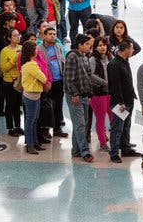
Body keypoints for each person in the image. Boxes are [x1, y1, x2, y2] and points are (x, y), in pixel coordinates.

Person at [106, 38, 141, 163]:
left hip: (129, 100)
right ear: (126, 49)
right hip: (120, 103)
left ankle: (126, 148)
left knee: (126, 125)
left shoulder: (125, 61)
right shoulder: (114, 64)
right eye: (131, 48)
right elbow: (115, 86)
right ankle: (114, 152)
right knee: (117, 128)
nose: (133, 50)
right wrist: (120, 103)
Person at [64, 34, 95, 163]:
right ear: (80, 45)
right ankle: (85, 151)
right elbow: (68, 79)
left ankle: (76, 150)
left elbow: (88, 75)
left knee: (82, 124)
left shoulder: (85, 57)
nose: (89, 47)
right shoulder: (72, 57)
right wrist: (74, 94)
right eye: (87, 44)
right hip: (74, 96)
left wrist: (89, 92)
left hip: (84, 95)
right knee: (80, 124)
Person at [38, 27, 68, 138]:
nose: (53, 36)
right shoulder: (39, 49)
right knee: (46, 107)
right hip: (47, 82)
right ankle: (45, 129)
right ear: (44, 36)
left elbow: (62, 61)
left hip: (59, 80)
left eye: (54, 34)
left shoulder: (58, 46)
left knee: (58, 105)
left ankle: (57, 128)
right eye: (50, 34)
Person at [20, 41, 48, 154]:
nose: (37, 50)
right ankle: (30, 144)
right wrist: (43, 77)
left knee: (34, 120)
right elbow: (43, 78)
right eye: (35, 48)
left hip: (35, 94)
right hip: (31, 95)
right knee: (30, 120)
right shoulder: (31, 65)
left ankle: (34, 142)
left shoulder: (29, 63)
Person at [87, 36, 113, 151]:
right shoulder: (93, 59)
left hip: (110, 92)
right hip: (98, 93)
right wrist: (104, 82)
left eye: (104, 45)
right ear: (95, 47)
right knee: (101, 118)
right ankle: (102, 142)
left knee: (113, 115)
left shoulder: (109, 56)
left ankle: (118, 138)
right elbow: (90, 75)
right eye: (99, 45)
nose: (102, 47)